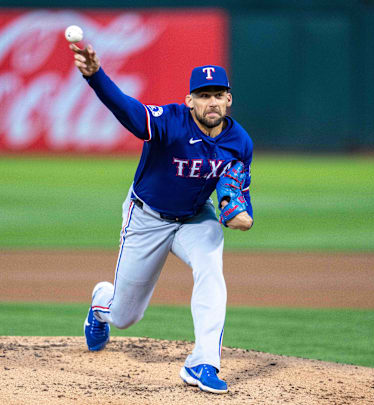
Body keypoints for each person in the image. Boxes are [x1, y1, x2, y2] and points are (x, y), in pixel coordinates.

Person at [70, 43, 254, 394]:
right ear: (189, 101)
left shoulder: (239, 142)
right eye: (203, 96)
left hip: (195, 219)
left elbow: (236, 195)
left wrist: (241, 214)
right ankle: (100, 304)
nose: (211, 102)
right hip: (146, 218)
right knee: (125, 316)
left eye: (218, 95)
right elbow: (129, 111)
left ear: (229, 99)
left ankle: (203, 362)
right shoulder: (168, 121)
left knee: (211, 270)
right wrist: (95, 76)